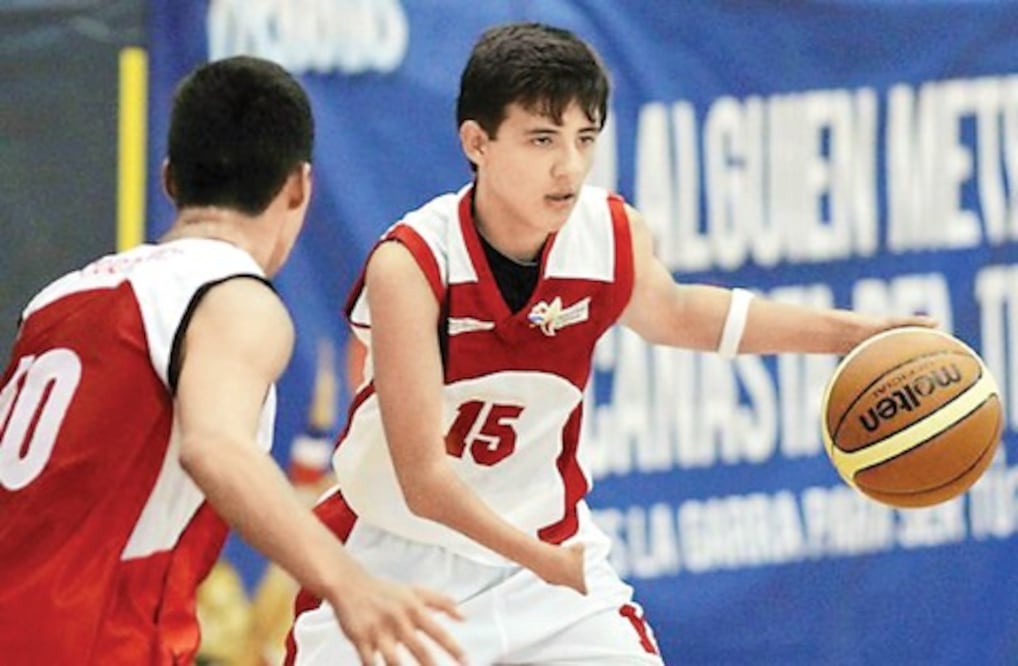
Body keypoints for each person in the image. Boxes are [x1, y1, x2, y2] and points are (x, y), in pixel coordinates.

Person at [285, 23, 936, 665]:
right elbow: (423, 479)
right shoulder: (413, 265)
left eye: (584, 138)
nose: (568, 166)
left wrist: (855, 334)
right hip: (394, 562)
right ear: (476, 142)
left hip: (543, 566)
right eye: (542, 139)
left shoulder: (607, 232)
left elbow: (683, 313)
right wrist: (541, 557)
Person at [0, 56, 464, 666]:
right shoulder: (233, 297)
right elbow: (213, 446)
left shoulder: (59, 299)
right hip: (86, 643)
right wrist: (350, 585)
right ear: (299, 187)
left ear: (169, 180)